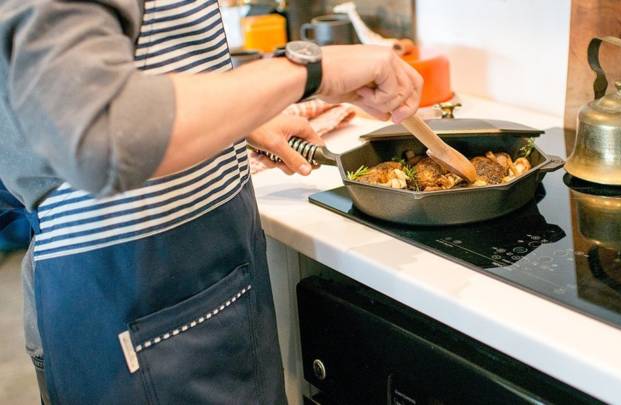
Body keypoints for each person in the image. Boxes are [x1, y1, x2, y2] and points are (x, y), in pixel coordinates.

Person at [0, 0, 422, 403]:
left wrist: (238, 121)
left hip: (185, 298)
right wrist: (310, 70)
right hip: (139, 309)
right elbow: (96, 129)